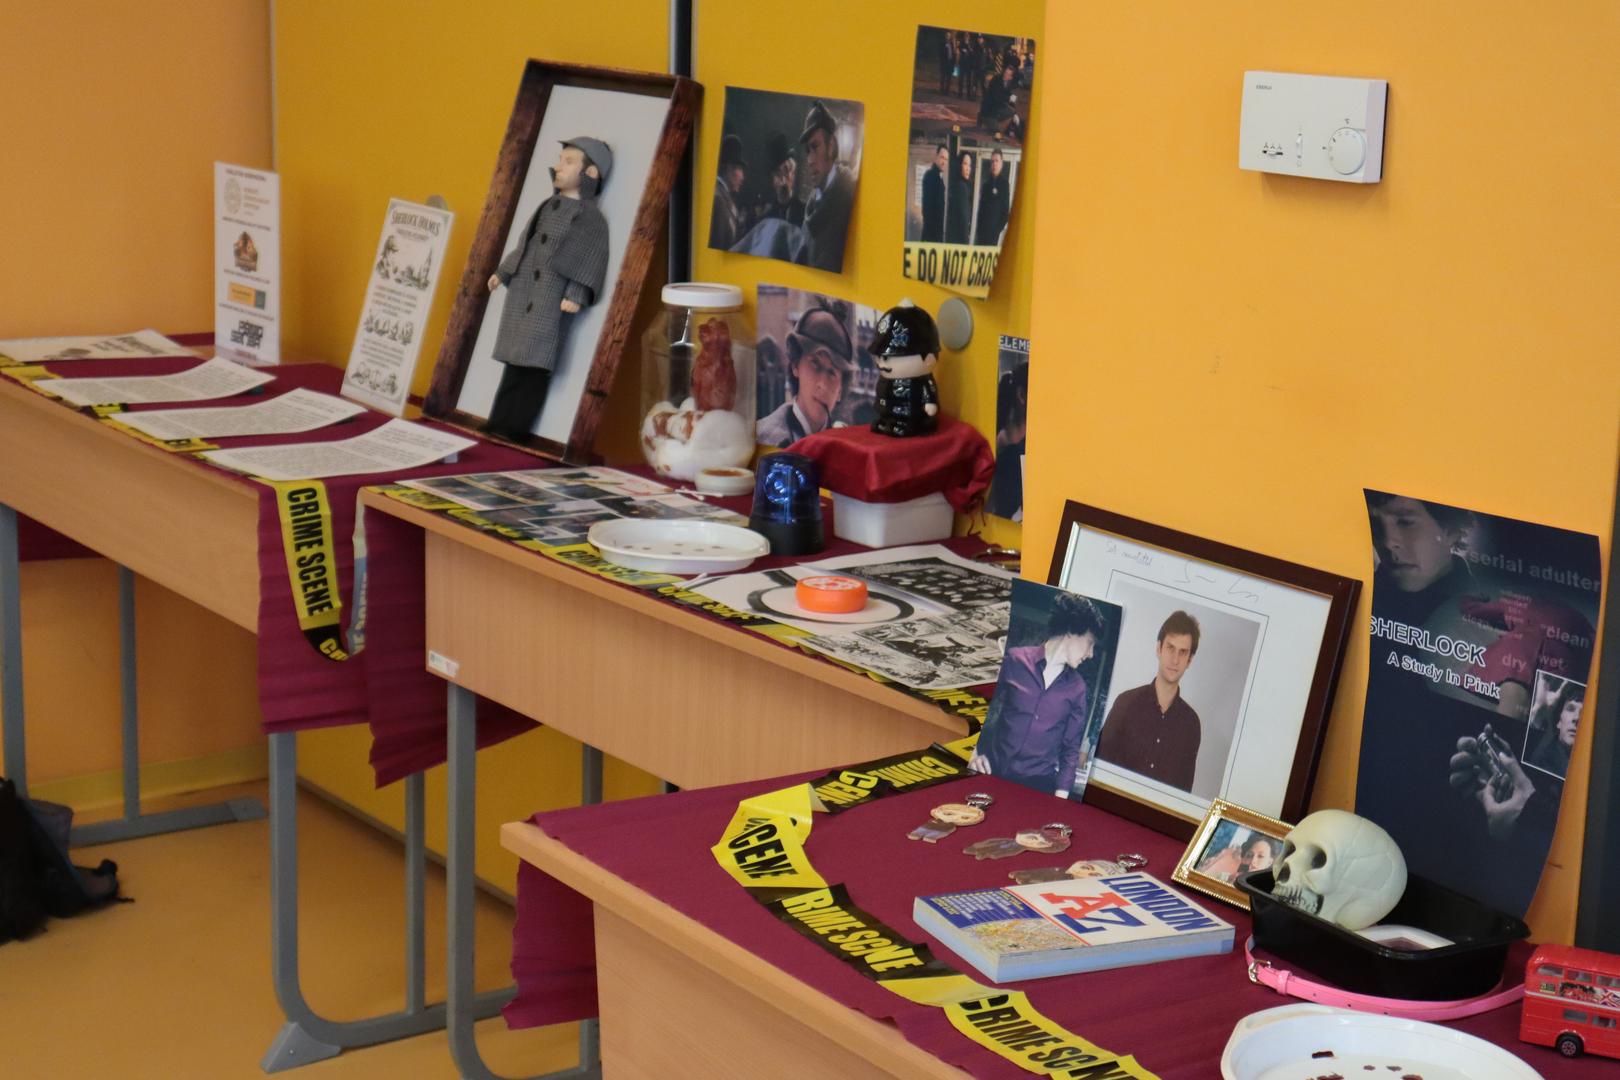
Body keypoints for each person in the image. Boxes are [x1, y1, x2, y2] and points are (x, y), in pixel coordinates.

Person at [483, 137, 611, 440]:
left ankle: (515, 428)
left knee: (535, 365)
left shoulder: (589, 218)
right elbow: (525, 243)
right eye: (560, 159)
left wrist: (576, 294)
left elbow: (588, 257)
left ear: (590, 172)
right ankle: (497, 421)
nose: (559, 166)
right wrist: (503, 272)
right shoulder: (547, 206)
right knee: (514, 362)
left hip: (549, 300)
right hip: (523, 293)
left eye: (569, 161)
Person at [968, 593, 1110, 798]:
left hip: (1037, 788)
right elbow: (977, 706)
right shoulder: (1014, 660)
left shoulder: (1077, 688)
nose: (1091, 654)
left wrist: (1060, 799)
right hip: (991, 773)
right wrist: (973, 754)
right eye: (1090, 643)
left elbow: (1071, 750)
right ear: (1072, 631)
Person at [1094, 610, 1203, 791]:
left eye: (1183, 652)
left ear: (1189, 661)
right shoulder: (1125, 703)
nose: (1175, 659)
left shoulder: (1191, 724)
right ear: (1159, 649)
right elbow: (1099, 767)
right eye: (1170, 648)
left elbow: (1183, 791)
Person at [755, 303, 853, 446]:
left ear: (840, 391)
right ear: (796, 365)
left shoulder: (846, 446)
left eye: (832, 372)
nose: (822, 384)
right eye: (815, 363)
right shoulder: (763, 438)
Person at [798, 101, 856, 271]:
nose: (810, 160)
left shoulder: (850, 196)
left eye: (815, 147)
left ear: (831, 147)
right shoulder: (811, 206)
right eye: (807, 151)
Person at [709, 133, 748, 251]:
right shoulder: (718, 200)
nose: (742, 177)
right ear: (729, 168)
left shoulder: (724, 198)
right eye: (740, 169)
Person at [756, 133, 804, 227]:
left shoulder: (805, 215)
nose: (783, 180)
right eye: (778, 173)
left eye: (786, 171)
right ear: (772, 179)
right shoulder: (765, 221)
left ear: (793, 173)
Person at [974, 148, 1011, 246]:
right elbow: (981, 211)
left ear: (1001, 163)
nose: (994, 164)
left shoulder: (1004, 185)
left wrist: (996, 231)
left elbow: (1005, 213)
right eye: (992, 161)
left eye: (997, 161)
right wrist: (978, 231)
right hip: (981, 235)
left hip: (993, 236)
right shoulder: (986, 184)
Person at [920, 143, 947, 242]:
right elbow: (927, 210)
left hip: (935, 234)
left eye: (946, 159)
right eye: (942, 158)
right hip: (931, 236)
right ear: (936, 157)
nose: (944, 162)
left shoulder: (938, 177)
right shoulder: (931, 176)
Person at [946, 151, 974, 245]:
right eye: (965, 164)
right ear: (959, 166)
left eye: (969, 165)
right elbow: (963, 219)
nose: (968, 168)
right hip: (958, 241)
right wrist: (966, 243)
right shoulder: (962, 187)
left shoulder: (957, 184)